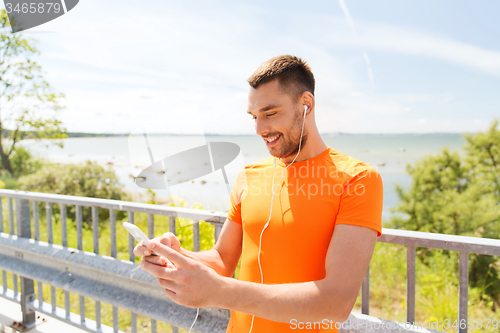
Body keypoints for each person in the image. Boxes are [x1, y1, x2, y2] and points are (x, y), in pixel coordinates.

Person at [135, 55, 383, 333]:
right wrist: (179, 256)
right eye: (254, 117)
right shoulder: (249, 176)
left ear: (306, 105)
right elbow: (222, 261)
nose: (259, 129)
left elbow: (334, 304)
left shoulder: (358, 179)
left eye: (270, 113)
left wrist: (219, 292)